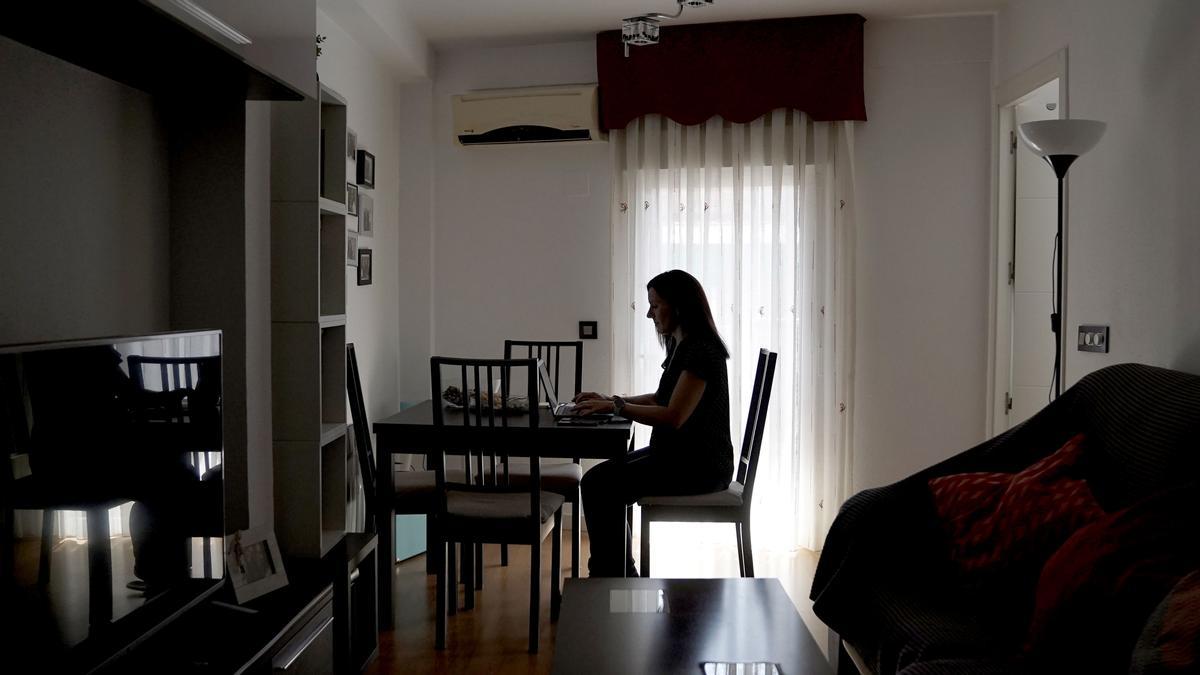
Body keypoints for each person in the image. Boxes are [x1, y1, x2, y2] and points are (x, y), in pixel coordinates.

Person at [575, 269, 733, 577]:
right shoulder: (684, 344)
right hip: (680, 458)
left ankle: (611, 577)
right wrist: (613, 399)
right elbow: (663, 397)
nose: (649, 314)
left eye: (655, 305)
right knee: (599, 481)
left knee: (598, 484)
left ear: (678, 306)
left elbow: (673, 416)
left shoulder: (701, 350)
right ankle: (618, 573)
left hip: (699, 467)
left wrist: (616, 407)